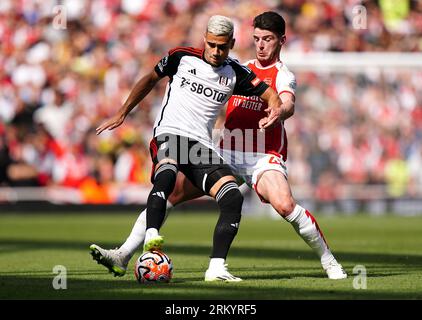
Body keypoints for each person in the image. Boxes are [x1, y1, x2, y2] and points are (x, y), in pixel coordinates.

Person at [91, 11, 347, 281]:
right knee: (172, 194)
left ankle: (329, 261)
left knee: (284, 206)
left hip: (261, 156)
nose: (261, 45)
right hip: (227, 151)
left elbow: (286, 102)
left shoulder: (282, 74)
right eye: (257, 38)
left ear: (281, 41)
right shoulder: (238, 68)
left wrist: (279, 112)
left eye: (268, 39)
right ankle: (124, 253)